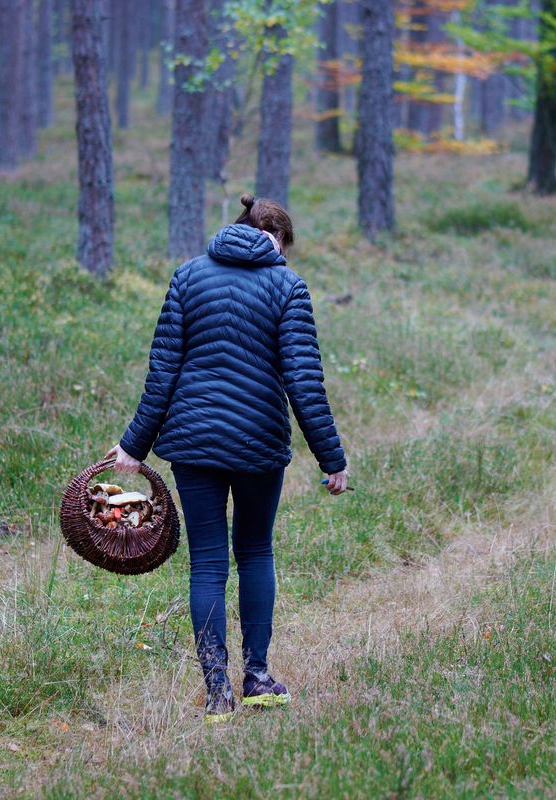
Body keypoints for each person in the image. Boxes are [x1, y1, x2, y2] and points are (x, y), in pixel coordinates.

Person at [107, 195, 349, 724]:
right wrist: (331, 458)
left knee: (209, 564)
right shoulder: (287, 285)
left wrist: (133, 445)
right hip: (259, 444)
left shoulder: (188, 276)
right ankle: (258, 678)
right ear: (277, 239)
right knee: (256, 552)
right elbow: (304, 382)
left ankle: (217, 694)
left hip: (193, 445)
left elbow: (162, 372)